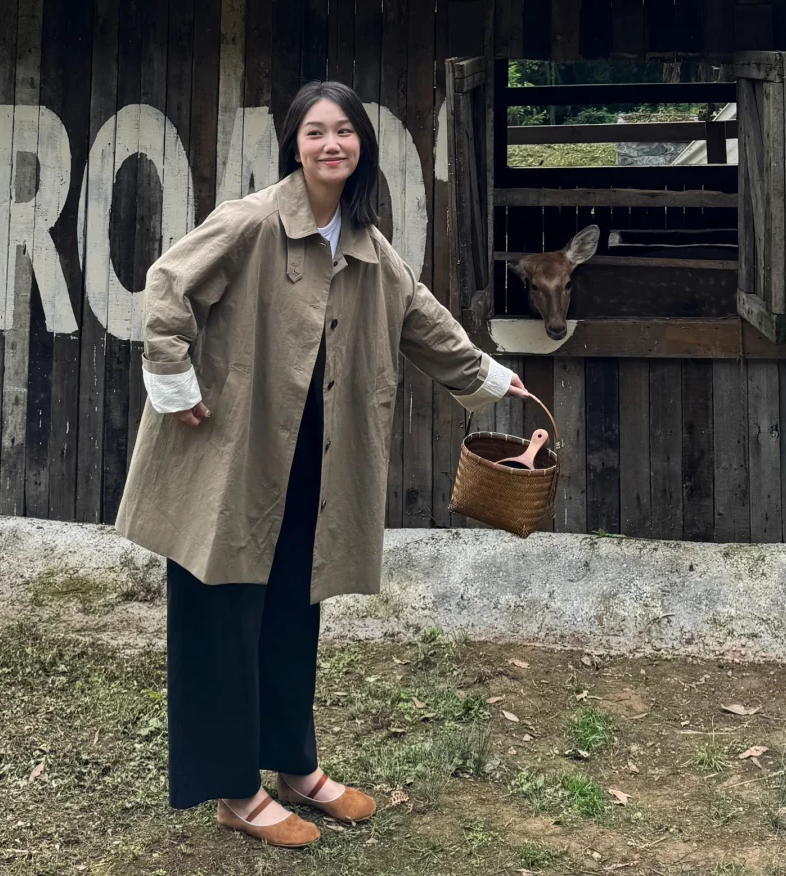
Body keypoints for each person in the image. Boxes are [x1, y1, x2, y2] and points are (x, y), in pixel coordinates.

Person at [114, 80, 532, 848]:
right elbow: (169, 284)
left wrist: (490, 378)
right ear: (295, 146)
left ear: (361, 147)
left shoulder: (371, 249)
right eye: (315, 132)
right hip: (231, 453)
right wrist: (174, 383)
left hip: (318, 452)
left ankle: (293, 766)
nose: (330, 144)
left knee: (291, 609)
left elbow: (424, 321)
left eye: (344, 131)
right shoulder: (250, 222)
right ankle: (235, 791)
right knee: (222, 614)